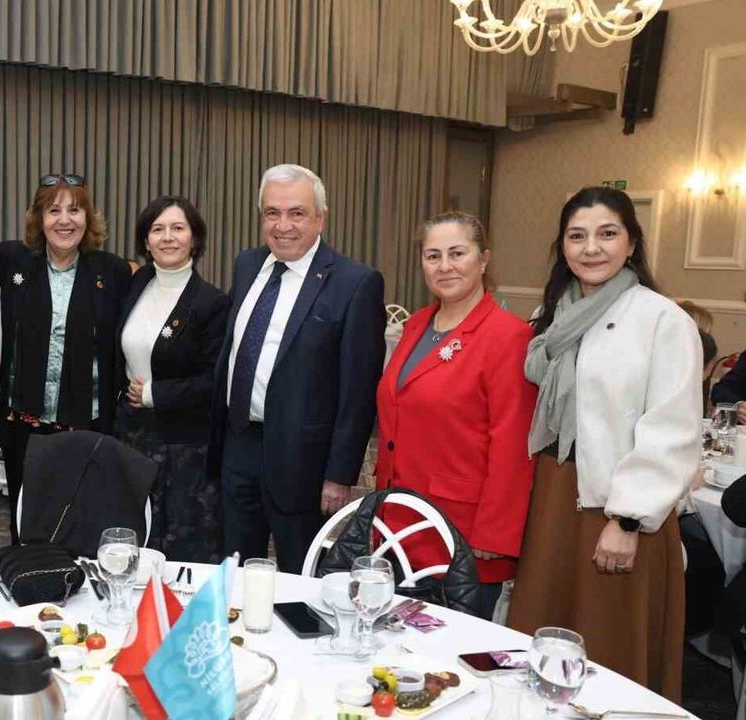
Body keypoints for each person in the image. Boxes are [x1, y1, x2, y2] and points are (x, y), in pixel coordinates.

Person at [508, 186, 700, 701]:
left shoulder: (663, 320)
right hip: (554, 494)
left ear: (632, 243)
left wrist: (628, 520)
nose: (591, 248)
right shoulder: (552, 318)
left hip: (618, 508)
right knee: (542, 636)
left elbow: (673, 429)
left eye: (607, 234)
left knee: (610, 647)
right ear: (563, 248)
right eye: (577, 236)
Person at [208, 164, 385, 574]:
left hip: (304, 461)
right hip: (238, 445)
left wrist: (340, 474)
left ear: (321, 218)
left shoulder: (355, 283)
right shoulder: (247, 264)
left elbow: (358, 391)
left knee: (299, 577)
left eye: (297, 213)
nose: (283, 225)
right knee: (236, 568)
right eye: (272, 213)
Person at [374, 212, 537, 620]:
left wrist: (495, 534)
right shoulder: (417, 325)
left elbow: (513, 445)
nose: (444, 266)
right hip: (400, 520)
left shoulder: (508, 336)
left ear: (483, 260)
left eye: (457, 253)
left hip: (462, 534)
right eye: (433, 256)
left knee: (452, 650)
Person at [0, 174, 132, 544]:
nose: (64, 220)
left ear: (88, 218)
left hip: (87, 423)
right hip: (25, 425)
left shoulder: (112, 271)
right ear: (39, 219)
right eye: (53, 210)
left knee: (81, 521)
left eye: (75, 210)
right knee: (27, 522)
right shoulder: (11, 261)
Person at [116, 196, 229, 562]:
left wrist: (154, 393)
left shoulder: (211, 303)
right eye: (158, 229)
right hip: (131, 434)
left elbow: (213, 381)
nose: (168, 237)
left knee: (180, 546)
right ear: (145, 241)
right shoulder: (137, 284)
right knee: (132, 537)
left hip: (184, 447)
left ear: (194, 239)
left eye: (178, 228)